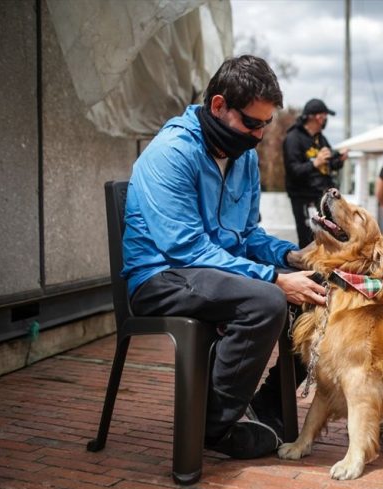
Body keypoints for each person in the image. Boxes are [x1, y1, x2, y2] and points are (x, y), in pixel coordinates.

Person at [122, 55, 327, 460]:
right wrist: (273, 278)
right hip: (162, 276)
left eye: (267, 123)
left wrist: (295, 257)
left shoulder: (244, 157)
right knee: (267, 299)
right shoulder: (172, 152)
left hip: (212, 272)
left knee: (323, 292)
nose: (260, 134)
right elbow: (187, 248)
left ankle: (268, 406)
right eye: (252, 123)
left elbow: (247, 234)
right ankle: (212, 426)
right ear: (219, 106)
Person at [283, 98, 348, 247]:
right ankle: (308, 270)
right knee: (309, 241)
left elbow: (329, 165)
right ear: (318, 117)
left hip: (321, 196)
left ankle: (325, 269)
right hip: (304, 198)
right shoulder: (293, 138)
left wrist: (339, 160)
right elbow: (293, 170)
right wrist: (315, 163)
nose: (326, 120)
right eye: (325, 116)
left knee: (328, 240)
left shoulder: (320, 138)